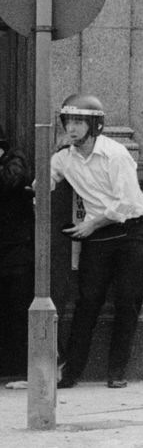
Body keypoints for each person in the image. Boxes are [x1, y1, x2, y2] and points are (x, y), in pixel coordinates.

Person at [49, 94, 143, 389]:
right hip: (97, 235)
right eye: (68, 121)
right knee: (87, 303)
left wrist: (91, 224)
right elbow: (46, 180)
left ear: (95, 124)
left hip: (132, 232)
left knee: (127, 302)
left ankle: (117, 372)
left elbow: (126, 203)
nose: (72, 128)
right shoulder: (64, 157)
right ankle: (70, 375)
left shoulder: (115, 154)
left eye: (79, 121)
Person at [0, 124, 32, 380]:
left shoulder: (14, 159)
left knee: (16, 310)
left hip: (15, 252)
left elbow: (9, 182)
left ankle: (17, 369)